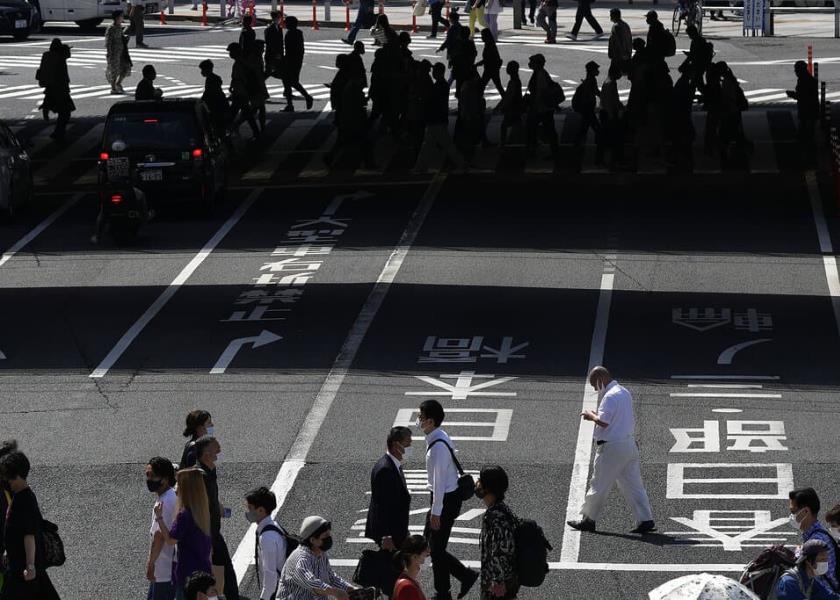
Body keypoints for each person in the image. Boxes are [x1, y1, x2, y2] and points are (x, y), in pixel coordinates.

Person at [567, 366, 656, 534]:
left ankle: (588, 520)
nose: (595, 389)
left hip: (612, 448)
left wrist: (590, 416)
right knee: (634, 485)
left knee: (599, 484)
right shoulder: (624, 392)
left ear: (601, 379)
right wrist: (597, 415)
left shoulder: (609, 397)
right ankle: (646, 519)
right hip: (628, 444)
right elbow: (617, 418)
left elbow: (604, 422)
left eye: (595, 385)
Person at [418, 399, 479, 600]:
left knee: (436, 550)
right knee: (435, 547)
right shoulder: (439, 436)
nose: (418, 420)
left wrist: (436, 513)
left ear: (431, 421)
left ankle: (451, 587)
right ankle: (454, 584)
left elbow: (439, 483)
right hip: (446, 498)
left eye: (421, 417)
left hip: (444, 500)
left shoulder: (437, 448)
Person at [0, 450, 60, 600]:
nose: (7, 480)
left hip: (22, 570)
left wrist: (30, 566)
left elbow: (29, 535)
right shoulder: (21, 495)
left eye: (9, 476)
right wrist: (8, 550)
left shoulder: (24, 500)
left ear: (17, 475)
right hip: (22, 567)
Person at [154, 468, 213, 599]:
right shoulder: (202, 511)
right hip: (204, 570)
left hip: (187, 572)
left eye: (179, 484)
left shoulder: (184, 515)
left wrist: (159, 518)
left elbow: (170, 540)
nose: (176, 487)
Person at [195, 435, 240, 600]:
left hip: (213, 532)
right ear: (206, 454)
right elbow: (200, 510)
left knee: (223, 569)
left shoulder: (210, 470)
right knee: (218, 571)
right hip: (208, 534)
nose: (219, 452)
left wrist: (218, 507)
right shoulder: (200, 476)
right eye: (216, 449)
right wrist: (207, 540)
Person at [277, 516, 358, 599]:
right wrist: (336, 593)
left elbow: (331, 578)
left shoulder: (320, 553)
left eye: (329, 534)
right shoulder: (301, 559)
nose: (329, 538)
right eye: (325, 536)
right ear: (312, 540)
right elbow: (313, 584)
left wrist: (351, 589)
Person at [365, 427, 413, 552]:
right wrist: (386, 536)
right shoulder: (385, 470)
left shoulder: (393, 464)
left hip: (396, 531)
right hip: (390, 536)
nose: (410, 447)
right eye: (407, 443)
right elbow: (381, 505)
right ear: (396, 445)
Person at [414, 62, 466, 172]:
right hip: (438, 119)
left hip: (436, 120)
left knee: (442, 145)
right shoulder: (442, 85)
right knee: (431, 145)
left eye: (434, 71)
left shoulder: (438, 86)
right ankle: (421, 167)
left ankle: (461, 163)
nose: (432, 73)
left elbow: (430, 101)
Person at [476, 466, 517, 600]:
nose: (477, 483)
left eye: (480, 480)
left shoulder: (496, 517)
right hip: (498, 583)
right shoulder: (500, 510)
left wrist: (498, 582)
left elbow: (501, 551)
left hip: (497, 586)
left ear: (487, 488)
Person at [789, 488, 840, 592]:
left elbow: (818, 581)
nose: (791, 516)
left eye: (793, 512)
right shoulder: (817, 533)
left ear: (806, 511)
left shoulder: (818, 542)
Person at [246, 487, 287, 600]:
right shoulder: (273, 525)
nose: (247, 512)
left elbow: (270, 574)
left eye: (250, 508)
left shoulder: (267, 538)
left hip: (277, 590)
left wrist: (264, 598)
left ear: (260, 510)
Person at [146, 457, 178, 600]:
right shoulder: (170, 496)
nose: (148, 479)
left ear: (164, 479)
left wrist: (151, 563)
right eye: (147, 475)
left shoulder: (164, 503)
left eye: (152, 476)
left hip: (163, 569)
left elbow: (159, 537)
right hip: (167, 567)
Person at [37, 39, 75, 141]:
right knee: (65, 112)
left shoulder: (47, 56)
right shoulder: (60, 60)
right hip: (60, 90)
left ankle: (47, 107)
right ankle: (59, 132)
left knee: (63, 111)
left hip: (50, 88)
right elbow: (61, 77)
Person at [524, 53, 558, 159]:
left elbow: (540, 92)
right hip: (543, 108)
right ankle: (553, 151)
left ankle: (533, 150)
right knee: (548, 129)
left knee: (532, 128)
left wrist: (535, 105)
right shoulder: (540, 73)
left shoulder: (540, 75)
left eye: (532, 62)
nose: (529, 64)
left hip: (541, 108)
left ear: (537, 64)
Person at [572, 60, 603, 164]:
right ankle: (599, 156)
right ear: (592, 70)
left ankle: (575, 149)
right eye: (596, 69)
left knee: (583, 129)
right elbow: (594, 93)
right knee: (598, 130)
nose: (598, 71)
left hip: (587, 109)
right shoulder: (591, 80)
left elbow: (595, 92)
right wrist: (605, 98)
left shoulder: (590, 79)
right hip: (588, 109)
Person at [228, 42, 260, 139]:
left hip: (240, 92)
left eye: (231, 52)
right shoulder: (241, 62)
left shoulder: (240, 64)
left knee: (232, 114)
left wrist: (236, 88)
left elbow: (241, 78)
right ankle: (255, 132)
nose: (230, 54)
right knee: (247, 114)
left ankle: (225, 131)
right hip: (241, 92)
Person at [281, 17, 314, 112]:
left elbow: (289, 49)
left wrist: (285, 59)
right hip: (297, 60)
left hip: (290, 61)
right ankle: (291, 104)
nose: (285, 25)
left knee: (289, 81)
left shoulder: (290, 34)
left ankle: (305, 97)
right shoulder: (299, 33)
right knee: (289, 82)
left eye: (286, 23)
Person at [787, 60, 819, 144]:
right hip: (809, 108)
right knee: (807, 127)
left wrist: (792, 94)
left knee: (806, 127)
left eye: (796, 70)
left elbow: (803, 96)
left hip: (807, 108)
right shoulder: (806, 79)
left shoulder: (804, 80)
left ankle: (806, 143)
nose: (795, 72)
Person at [599, 64, 625, 166]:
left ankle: (605, 159)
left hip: (605, 112)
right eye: (619, 72)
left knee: (607, 137)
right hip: (608, 113)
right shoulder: (611, 83)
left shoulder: (608, 81)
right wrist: (611, 114)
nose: (621, 74)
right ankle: (610, 160)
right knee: (611, 137)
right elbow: (609, 100)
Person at [393, 535, 431, 600]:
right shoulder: (407, 588)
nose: (428, 558)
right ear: (414, 557)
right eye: (426, 554)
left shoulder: (407, 580)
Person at [199, 60, 230, 140]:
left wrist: (202, 100)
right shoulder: (214, 78)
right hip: (219, 104)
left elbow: (208, 92)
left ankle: (220, 140)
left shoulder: (211, 79)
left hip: (216, 106)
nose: (201, 72)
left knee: (216, 125)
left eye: (202, 70)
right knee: (219, 126)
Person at [497, 61, 523, 148]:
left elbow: (509, 96)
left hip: (512, 108)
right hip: (516, 106)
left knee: (504, 125)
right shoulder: (516, 80)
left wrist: (503, 106)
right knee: (517, 124)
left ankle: (503, 144)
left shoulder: (513, 82)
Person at [105, 11, 131, 95]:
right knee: (114, 70)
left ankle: (118, 83)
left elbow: (121, 37)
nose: (122, 18)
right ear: (117, 18)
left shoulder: (119, 27)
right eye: (121, 16)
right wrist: (109, 53)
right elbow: (108, 42)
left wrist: (126, 37)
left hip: (122, 51)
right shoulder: (111, 28)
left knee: (126, 67)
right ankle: (113, 88)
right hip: (114, 52)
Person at [477, 28, 504, 97]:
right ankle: (505, 98)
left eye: (482, 36)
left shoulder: (489, 46)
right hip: (493, 68)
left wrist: (477, 64)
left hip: (489, 69)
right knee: (498, 85)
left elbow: (486, 59)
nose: (482, 38)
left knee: (482, 86)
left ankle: (478, 99)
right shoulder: (490, 44)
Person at [607, 9, 632, 75]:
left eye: (611, 15)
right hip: (626, 53)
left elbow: (619, 41)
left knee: (612, 75)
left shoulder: (616, 26)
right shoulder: (625, 25)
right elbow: (629, 39)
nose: (610, 17)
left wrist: (621, 54)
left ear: (614, 16)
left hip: (618, 55)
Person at [264, 10, 285, 80]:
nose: (280, 19)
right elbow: (269, 43)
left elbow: (280, 42)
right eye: (279, 17)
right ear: (275, 18)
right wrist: (276, 53)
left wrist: (281, 54)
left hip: (279, 54)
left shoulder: (279, 28)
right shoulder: (269, 29)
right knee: (268, 72)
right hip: (271, 55)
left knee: (279, 73)